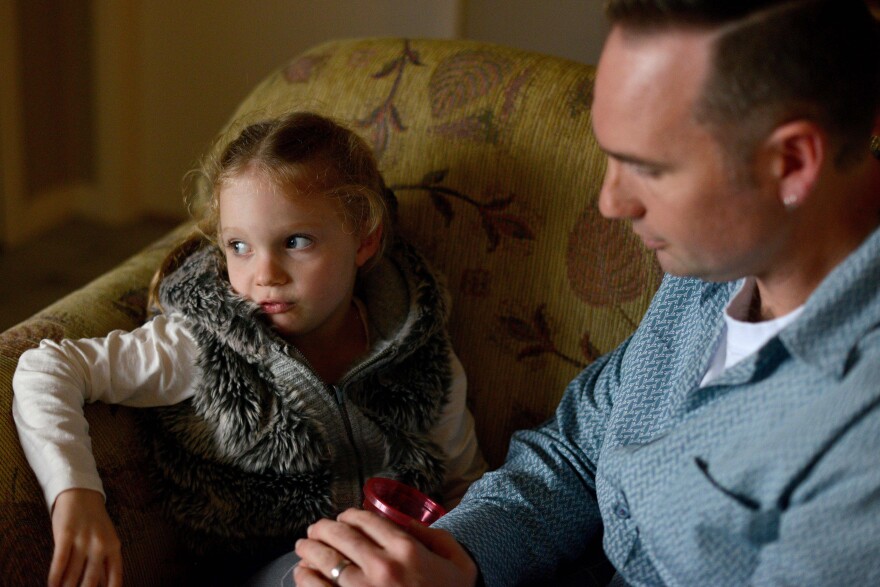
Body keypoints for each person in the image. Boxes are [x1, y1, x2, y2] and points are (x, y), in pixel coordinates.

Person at [291, 1, 880, 585]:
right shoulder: (719, 265)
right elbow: (576, 451)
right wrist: (450, 559)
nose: (611, 203)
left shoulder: (862, 431)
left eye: (646, 167)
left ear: (793, 163)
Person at [12, 112, 486, 587]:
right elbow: (45, 369)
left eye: (296, 242)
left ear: (365, 238)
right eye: (239, 246)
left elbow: (464, 481)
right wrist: (76, 496)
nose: (265, 275)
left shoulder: (420, 351)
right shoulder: (200, 344)